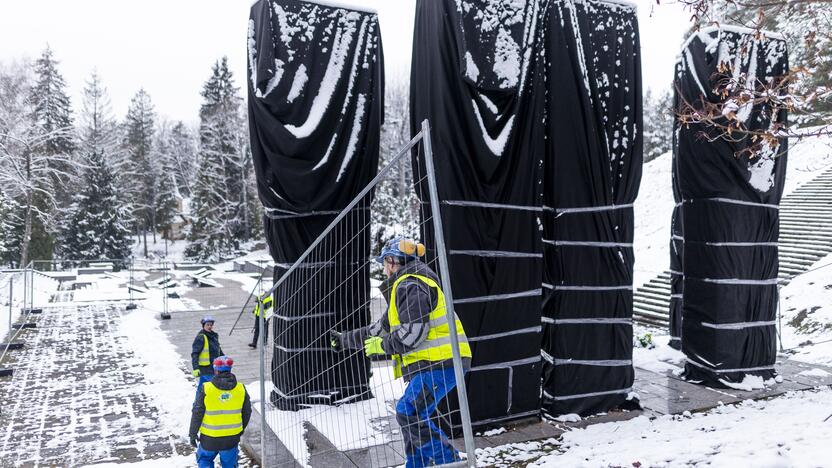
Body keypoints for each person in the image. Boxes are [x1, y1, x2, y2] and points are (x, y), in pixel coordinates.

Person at [331, 237, 472, 468]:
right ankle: (416, 465)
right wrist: (345, 340)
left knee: (409, 412)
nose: (384, 269)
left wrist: (382, 346)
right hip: (435, 362)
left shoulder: (411, 285)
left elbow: (412, 335)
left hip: (441, 362)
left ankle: (450, 463)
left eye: (385, 263)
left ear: (392, 261)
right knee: (412, 416)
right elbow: (378, 329)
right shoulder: (404, 286)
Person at [189, 355, 252, 468]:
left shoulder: (206, 388)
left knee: (205, 460)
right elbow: (247, 412)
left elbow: (197, 412)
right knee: (230, 464)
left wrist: (193, 434)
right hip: (231, 439)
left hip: (209, 438)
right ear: (230, 369)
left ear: (215, 370)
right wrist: (240, 430)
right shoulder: (240, 388)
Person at [191, 316, 224, 399]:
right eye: (207, 325)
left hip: (214, 367)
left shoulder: (213, 336)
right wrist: (195, 368)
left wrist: (224, 358)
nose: (209, 326)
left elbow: (218, 350)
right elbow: (195, 353)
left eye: (211, 325)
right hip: (206, 368)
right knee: (216, 387)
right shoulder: (201, 337)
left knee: (201, 388)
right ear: (203, 325)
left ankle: (197, 405)